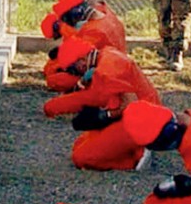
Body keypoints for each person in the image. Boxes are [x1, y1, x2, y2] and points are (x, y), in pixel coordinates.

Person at [43, 38, 161, 170]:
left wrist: (105, 116)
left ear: (81, 61)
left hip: (141, 120)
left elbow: (130, 103)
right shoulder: (105, 55)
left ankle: (135, 158)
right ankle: (133, 146)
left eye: (73, 69)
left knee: (81, 158)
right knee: (79, 144)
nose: (75, 73)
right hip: (139, 113)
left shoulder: (107, 68)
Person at [41, 0, 127, 92]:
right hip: (114, 64)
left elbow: (78, 56)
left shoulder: (93, 30)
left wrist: (54, 68)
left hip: (106, 74)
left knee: (55, 80)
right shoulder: (103, 10)